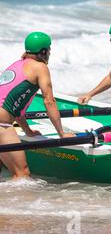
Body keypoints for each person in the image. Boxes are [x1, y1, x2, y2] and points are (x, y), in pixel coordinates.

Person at [0, 32, 73, 179]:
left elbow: (16, 107)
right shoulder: (40, 67)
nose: (50, 52)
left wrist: (27, 130)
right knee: (22, 174)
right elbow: (49, 101)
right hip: (1, 125)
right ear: (43, 51)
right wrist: (62, 134)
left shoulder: (16, 64)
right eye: (49, 49)